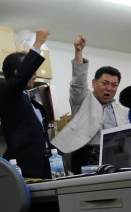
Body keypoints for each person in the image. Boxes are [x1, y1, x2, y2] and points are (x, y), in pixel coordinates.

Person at [52, 35, 128, 174]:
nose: (109, 88)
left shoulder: (120, 110)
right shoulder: (81, 100)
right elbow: (78, 82)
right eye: (105, 83)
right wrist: (79, 52)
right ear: (94, 83)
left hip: (113, 157)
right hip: (85, 156)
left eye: (114, 85)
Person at [0, 29, 52, 179]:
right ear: (17, 72)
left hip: (45, 165)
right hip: (25, 167)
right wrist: (38, 44)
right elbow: (22, 77)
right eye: (31, 71)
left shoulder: (32, 102)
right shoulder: (5, 92)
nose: (35, 75)